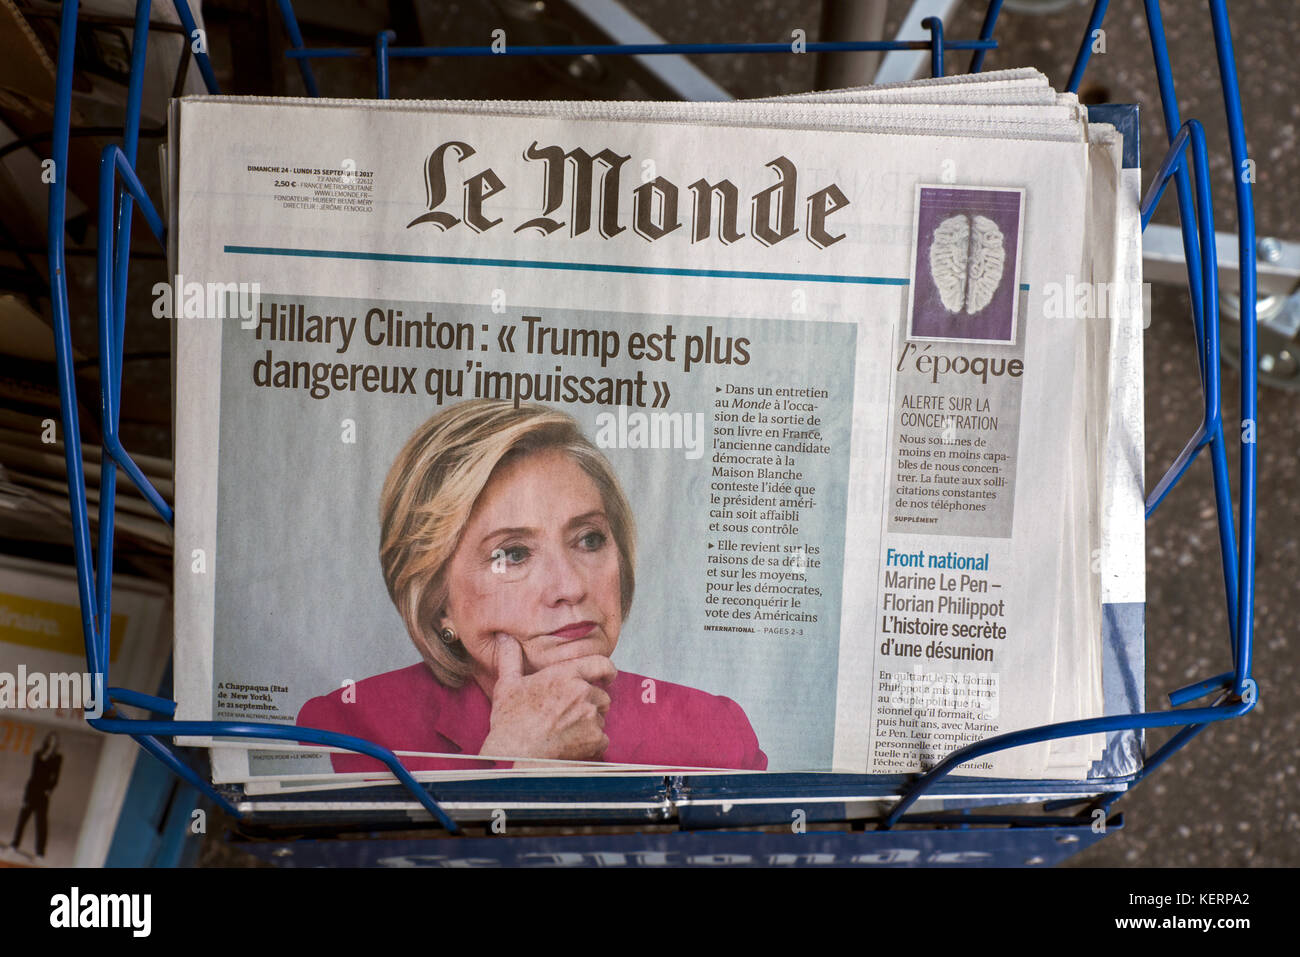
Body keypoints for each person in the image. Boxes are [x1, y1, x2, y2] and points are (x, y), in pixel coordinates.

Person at [297, 399, 766, 773]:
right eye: (514, 554)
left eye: (589, 539)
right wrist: (511, 758)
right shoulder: (349, 729)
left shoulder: (715, 733)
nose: (569, 587)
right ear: (438, 602)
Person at [9, 732, 61, 858]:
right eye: (50, 739)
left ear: (56, 743)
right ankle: (14, 845)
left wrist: (49, 789)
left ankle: (40, 852)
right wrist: (26, 795)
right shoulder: (37, 754)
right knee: (22, 820)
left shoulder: (58, 758)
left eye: (55, 740)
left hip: (43, 794)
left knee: (41, 823)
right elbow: (33, 775)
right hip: (32, 791)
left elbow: (56, 777)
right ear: (47, 741)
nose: (52, 742)